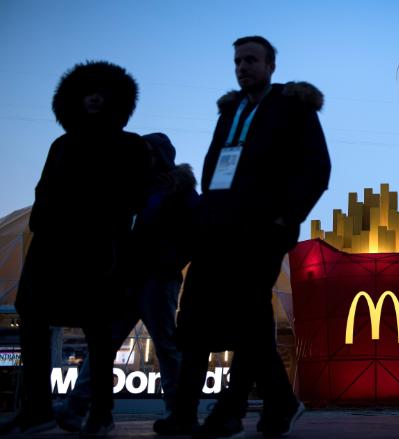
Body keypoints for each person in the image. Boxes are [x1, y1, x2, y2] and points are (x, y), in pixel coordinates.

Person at [154, 35, 330, 438]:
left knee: (248, 319)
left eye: (251, 60)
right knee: (196, 317)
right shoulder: (230, 109)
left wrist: (284, 219)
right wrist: (203, 219)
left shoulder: (292, 106)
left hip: (261, 232)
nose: (242, 67)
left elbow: (316, 168)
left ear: (271, 66)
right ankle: (195, 411)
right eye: (237, 61)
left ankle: (235, 409)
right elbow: (216, 166)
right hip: (216, 231)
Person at [0, 61, 152, 437]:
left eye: (103, 93)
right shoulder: (62, 144)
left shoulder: (130, 145)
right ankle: (36, 409)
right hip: (51, 248)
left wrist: (107, 226)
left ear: (117, 100)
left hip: (98, 249)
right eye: (88, 92)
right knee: (32, 316)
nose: (95, 99)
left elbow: (136, 197)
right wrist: (43, 225)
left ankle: (101, 411)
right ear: (74, 99)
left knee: (99, 330)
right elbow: (43, 192)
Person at [54, 133, 198, 432]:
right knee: (105, 343)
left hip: (158, 280)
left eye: (149, 151)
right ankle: (77, 405)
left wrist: (169, 262)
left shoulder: (179, 191)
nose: (144, 156)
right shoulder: (135, 188)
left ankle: (179, 410)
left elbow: (193, 234)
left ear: (161, 155)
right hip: (128, 278)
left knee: (166, 346)